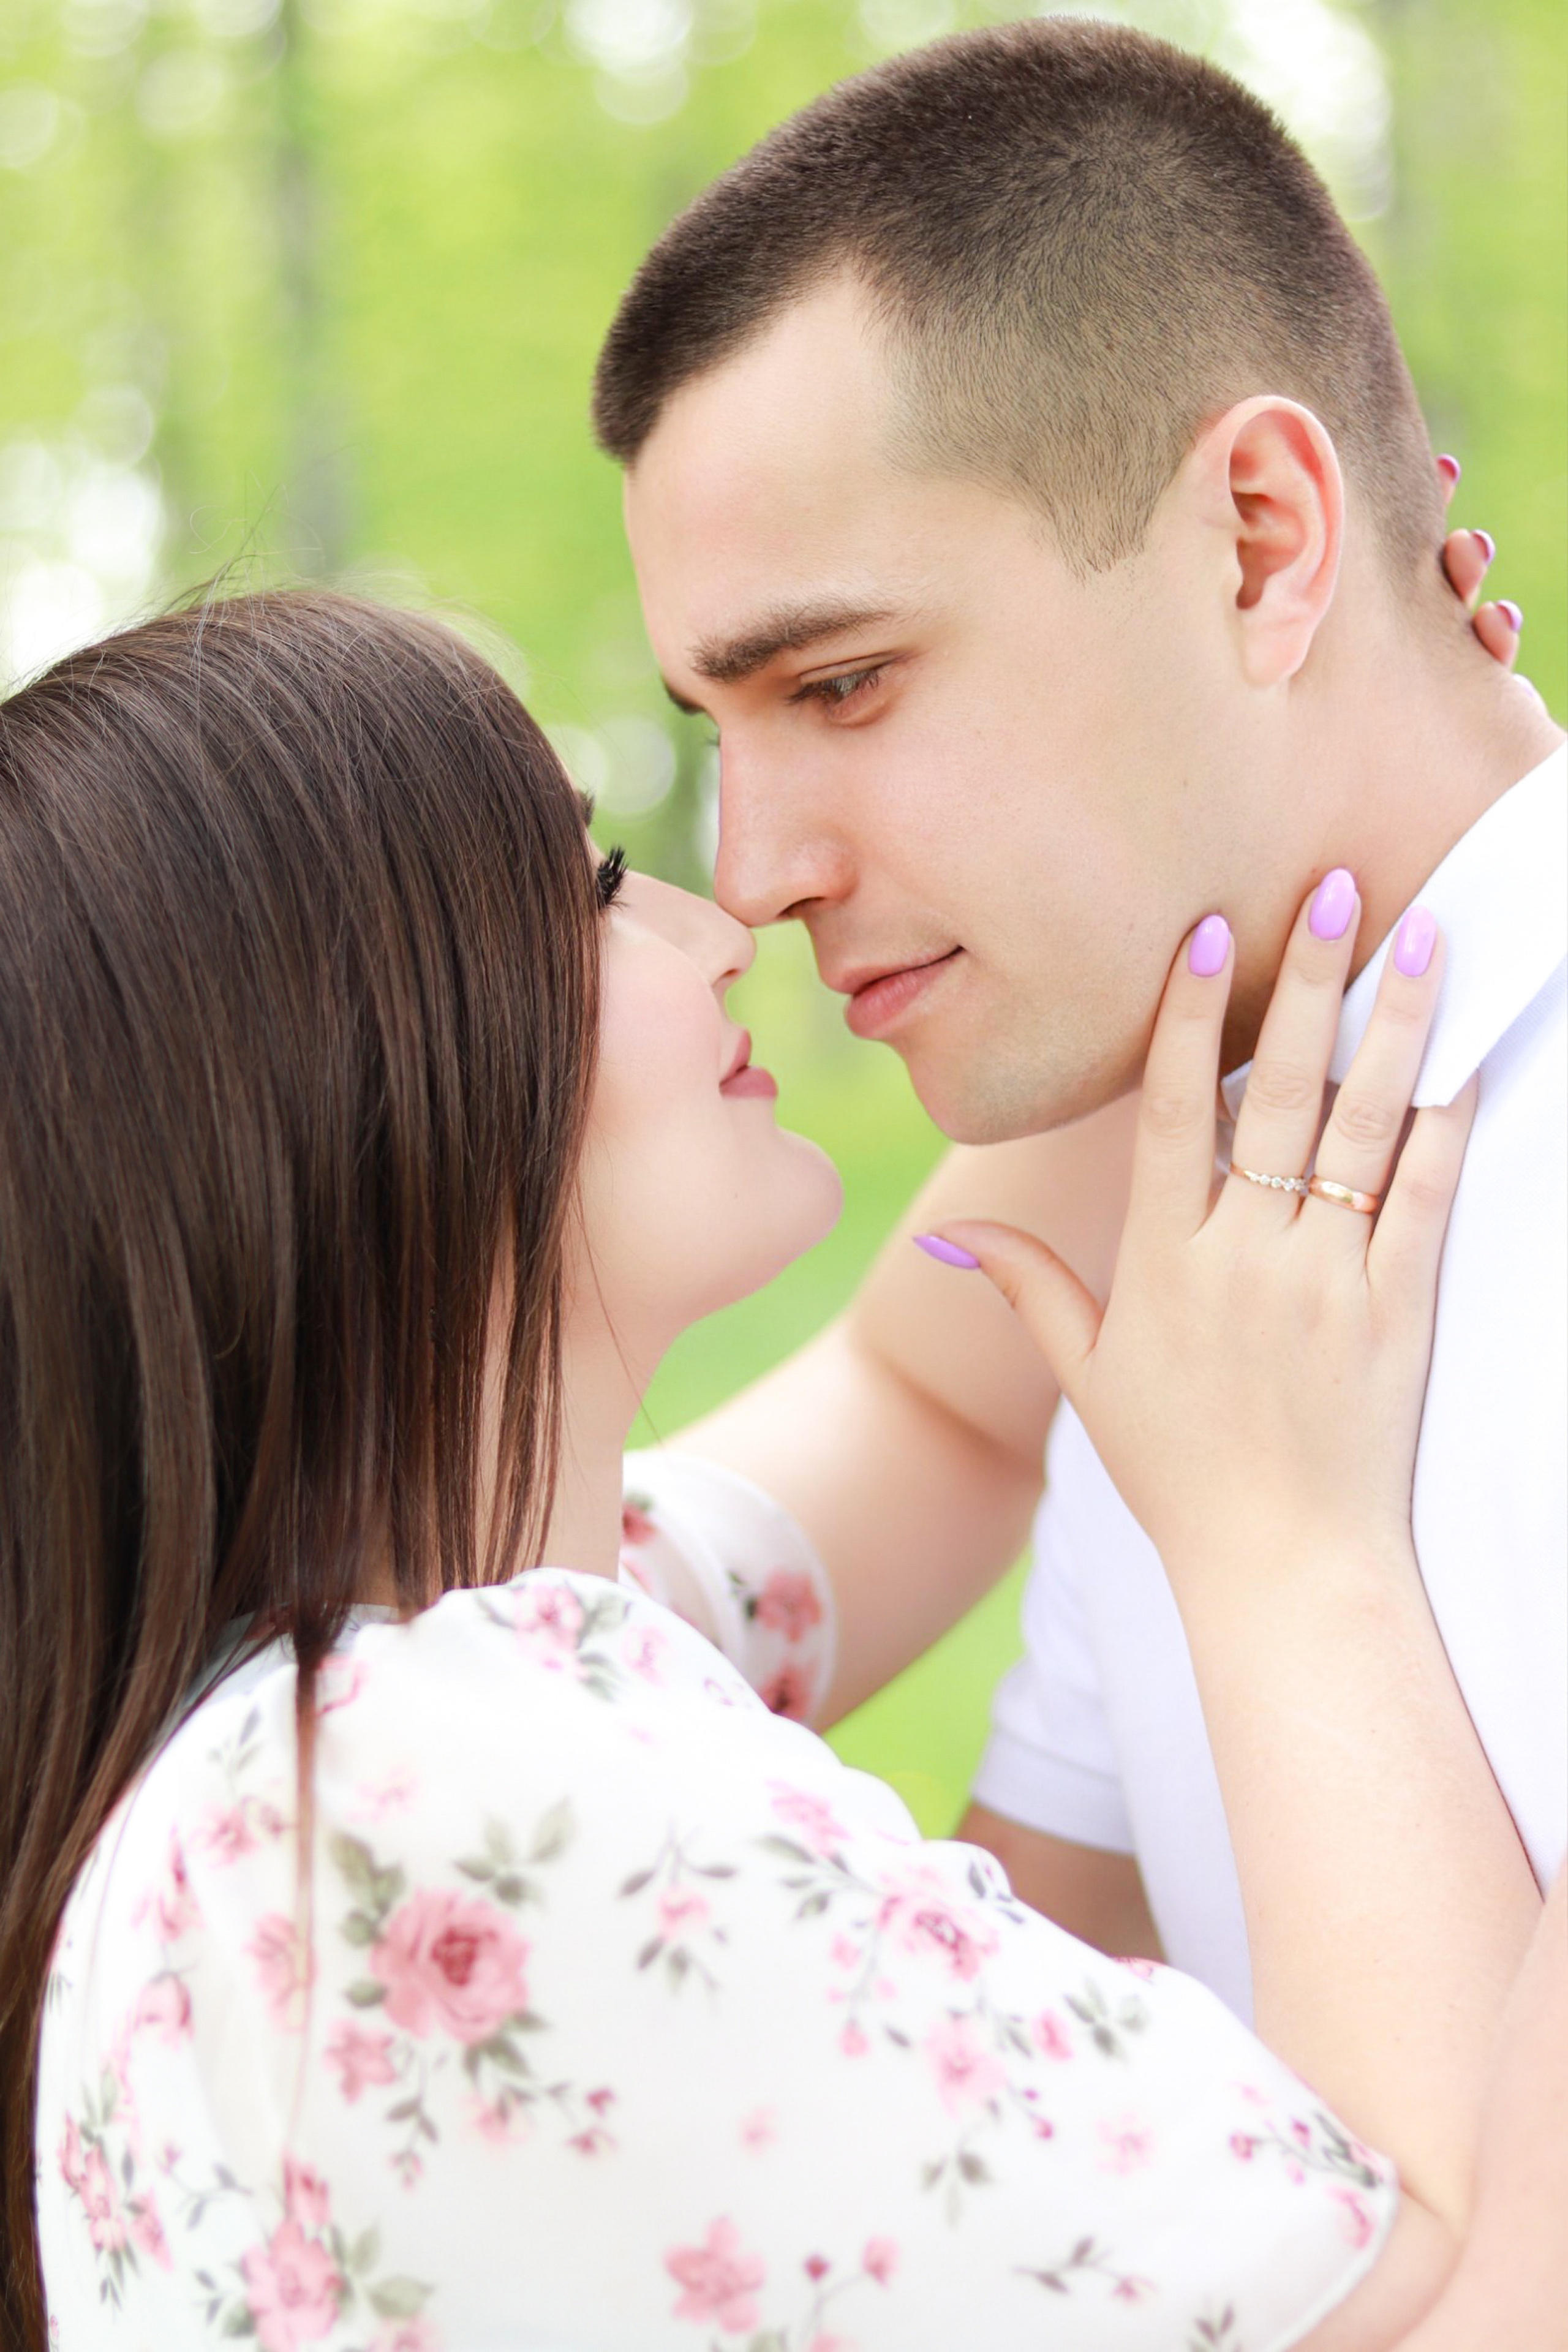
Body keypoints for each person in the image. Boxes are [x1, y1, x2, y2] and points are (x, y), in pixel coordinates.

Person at [0, 590, 1548, 2348]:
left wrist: (1292, 746)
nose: (720, 924)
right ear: (357, 1074)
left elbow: (925, 1403)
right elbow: (1467, 2297)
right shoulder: (420, 1808)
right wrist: (1286, 1546)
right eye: (593, 890)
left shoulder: (320, 1726)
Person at [589, 15, 1566, 2022]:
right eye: (722, 726)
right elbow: (1059, 2112)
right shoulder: (1188, 1238)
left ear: (1261, 541)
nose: (753, 875)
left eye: (843, 685)